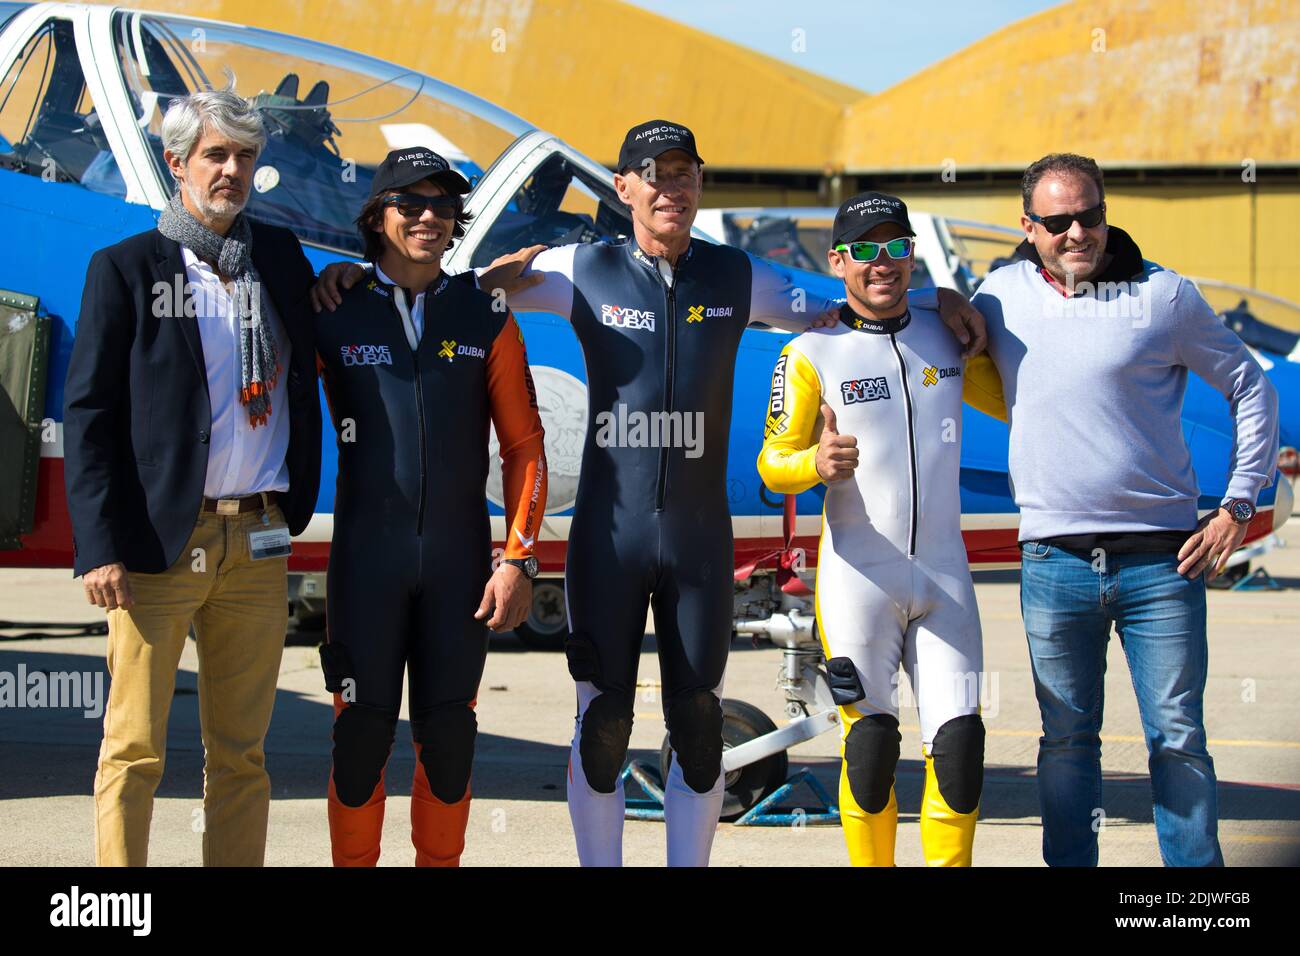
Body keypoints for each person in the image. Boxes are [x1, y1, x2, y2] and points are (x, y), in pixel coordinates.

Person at [314, 120, 987, 867]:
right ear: (625, 187)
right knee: (601, 728)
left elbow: (854, 303)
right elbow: (464, 290)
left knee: (698, 727)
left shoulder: (737, 276)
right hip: (611, 538)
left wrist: (945, 300)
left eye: (685, 173)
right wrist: (346, 274)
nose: (672, 188)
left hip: (699, 543)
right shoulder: (579, 267)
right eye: (655, 175)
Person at [971, 152, 1280, 866]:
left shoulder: (1163, 296)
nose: (1077, 233)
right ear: (1027, 226)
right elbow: (909, 320)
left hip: (1162, 564)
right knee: (1066, 742)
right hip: (1053, 563)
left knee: (1177, 737)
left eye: (1091, 216)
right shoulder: (997, 295)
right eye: (1058, 221)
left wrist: (1237, 506)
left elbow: (1250, 388)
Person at [63, 90, 323, 866]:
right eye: (215, 155)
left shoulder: (278, 259)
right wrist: (98, 545)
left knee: (242, 754)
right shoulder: (126, 269)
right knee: (135, 748)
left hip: (261, 537)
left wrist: (341, 289)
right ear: (177, 164)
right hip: (158, 546)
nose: (232, 171)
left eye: (245, 157)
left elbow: (319, 339)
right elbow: (90, 416)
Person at [313, 147, 547, 866]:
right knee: (361, 738)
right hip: (363, 568)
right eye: (409, 204)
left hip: (458, 571)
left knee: (448, 739)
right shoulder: (333, 308)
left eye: (443, 206)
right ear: (377, 217)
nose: (427, 217)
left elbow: (524, 447)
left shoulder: (485, 316)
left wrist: (519, 559)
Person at [758, 192, 1005, 866]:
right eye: (865, 249)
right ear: (839, 261)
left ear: (912, 255)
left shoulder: (946, 334)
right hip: (856, 579)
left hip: (946, 580)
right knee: (868, 749)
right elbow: (772, 463)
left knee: (959, 748)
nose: (882, 263)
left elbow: (1023, 401)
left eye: (896, 247)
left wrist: (957, 300)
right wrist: (814, 460)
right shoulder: (811, 351)